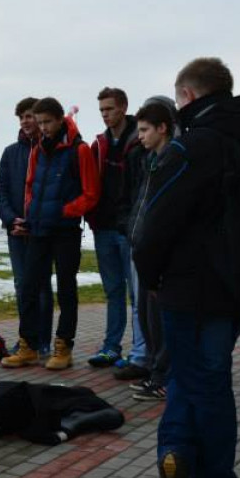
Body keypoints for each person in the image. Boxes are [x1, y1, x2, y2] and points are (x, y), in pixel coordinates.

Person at [135, 57, 240, 478]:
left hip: (186, 288)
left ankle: (178, 454)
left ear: (188, 96)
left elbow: (152, 227)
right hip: (237, 291)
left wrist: (152, 277)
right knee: (212, 381)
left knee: (186, 377)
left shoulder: (190, 149)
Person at [7, 97, 99, 370]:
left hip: (66, 232)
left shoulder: (79, 150)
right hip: (38, 230)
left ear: (60, 119)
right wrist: (29, 214)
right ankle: (28, 346)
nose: (43, 127)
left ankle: (63, 347)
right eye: (40, 122)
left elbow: (91, 194)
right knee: (28, 287)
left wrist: (65, 211)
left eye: (47, 122)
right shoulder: (37, 150)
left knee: (66, 289)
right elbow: (30, 186)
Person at [86, 87, 148, 372]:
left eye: (109, 109)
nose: (105, 115)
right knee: (112, 291)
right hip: (103, 227)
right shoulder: (98, 144)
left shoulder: (140, 139)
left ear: (123, 107)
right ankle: (111, 347)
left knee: (136, 294)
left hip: (128, 229)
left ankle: (140, 353)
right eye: (101, 110)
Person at [124, 99, 177, 400]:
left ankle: (164, 377)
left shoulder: (172, 160)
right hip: (142, 245)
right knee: (146, 316)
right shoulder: (150, 160)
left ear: (162, 128)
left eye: (144, 130)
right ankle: (157, 373)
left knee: (158, 319)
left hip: (158, 254)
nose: (140, 136)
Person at [0, 97, 54, 366]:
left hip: (41, 232)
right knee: (23, 287)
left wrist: (35, 222)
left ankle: (43, 340)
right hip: (16, 232)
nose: (26, 121)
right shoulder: (10, 153)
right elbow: (2, 191)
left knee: (42, 287)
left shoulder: (50, 149)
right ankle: (26, 339)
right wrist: (11, 220)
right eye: (21, 117)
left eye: (30, 116)